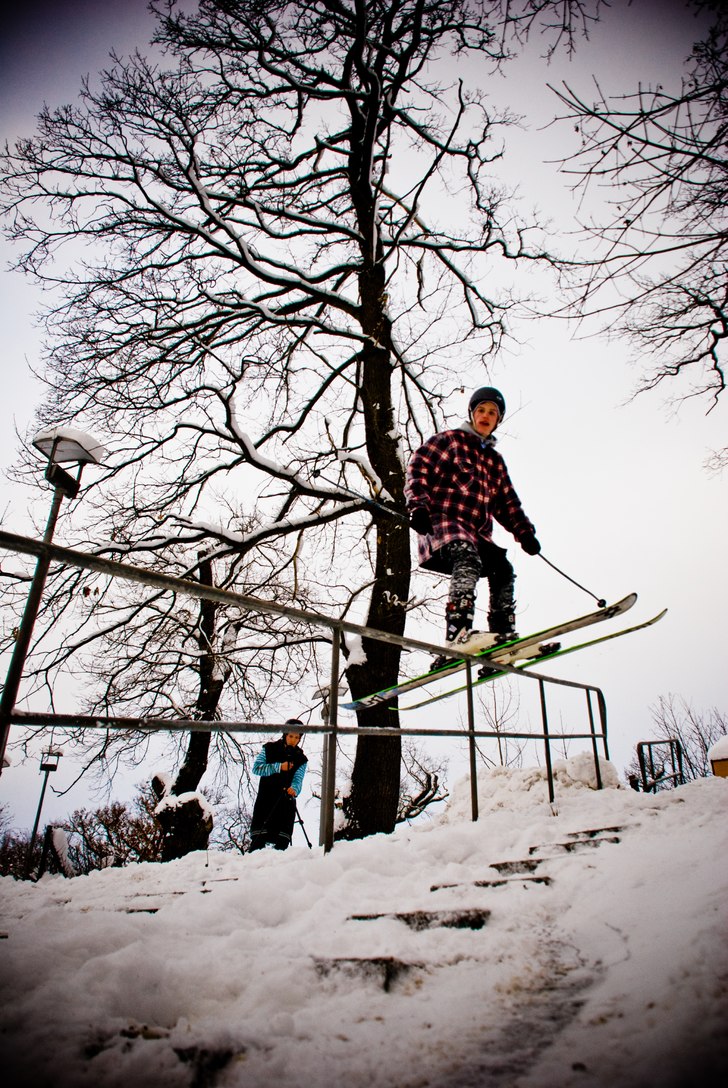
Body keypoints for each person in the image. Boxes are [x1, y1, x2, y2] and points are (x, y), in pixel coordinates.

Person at [405, 386, 540, 670]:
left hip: (478, 534)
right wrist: (417, 505)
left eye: (492, 413)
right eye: (481, 410)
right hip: (443, 525)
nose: (486, 416)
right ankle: (458, 635)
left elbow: (507, 502)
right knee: (467, 557)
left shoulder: (495, 461)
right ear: (472, 413)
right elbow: (419, 466)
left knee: (502, 569)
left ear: (498, 419)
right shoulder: (450, 441)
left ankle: (502, 639)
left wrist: (524, 532)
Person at [247, 720, 308, 852]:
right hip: (266, 799)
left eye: (297, 738)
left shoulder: (301, 759)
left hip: (286, 803)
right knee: (258, 842)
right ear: (285, 735)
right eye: (291, 736)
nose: (293, 740)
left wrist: (295, 789)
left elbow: (299, 779)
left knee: (282, 844)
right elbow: (257, 768)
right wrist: (279, 767)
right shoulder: (269, 748)